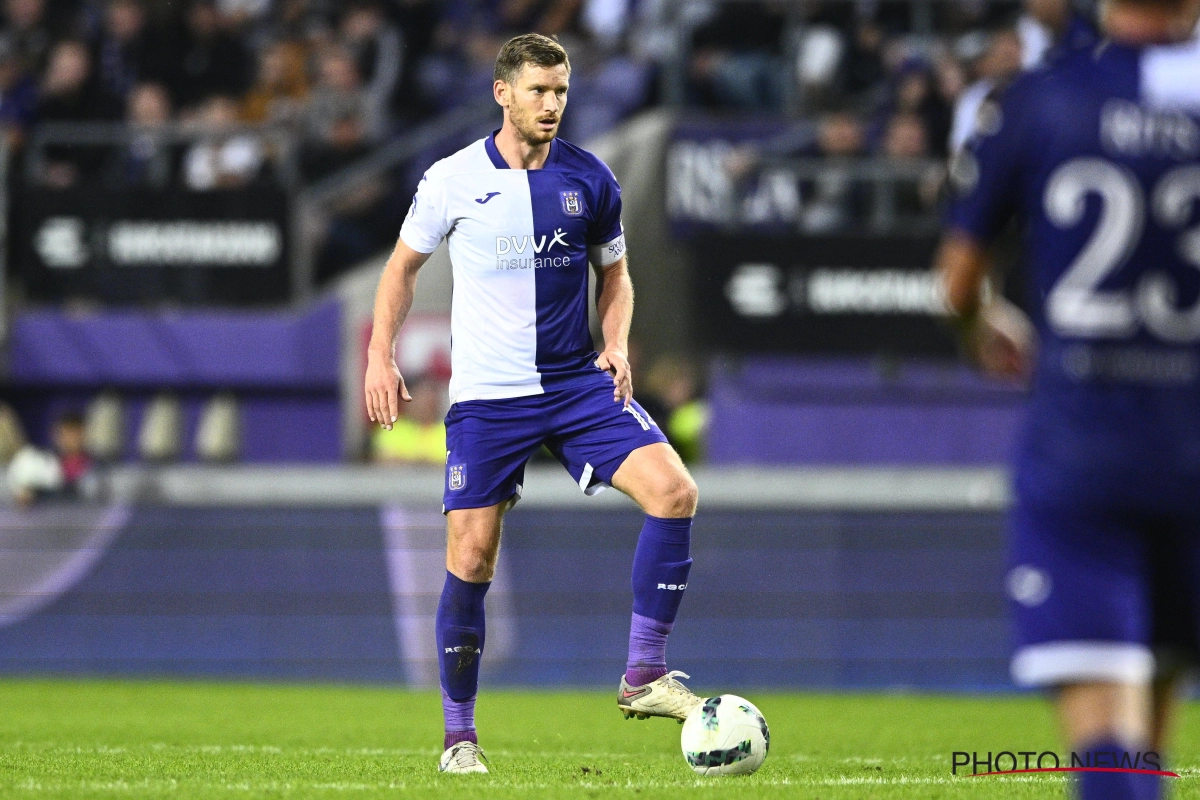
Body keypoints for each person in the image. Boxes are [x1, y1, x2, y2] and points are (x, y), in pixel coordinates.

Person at [364, 33, 701, 775]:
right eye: (539, 91)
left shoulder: (592, 178)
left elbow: (616, 276)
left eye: (561, 91)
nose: (552, 104)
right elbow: (399, 270)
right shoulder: (451, 181)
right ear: (502, 93)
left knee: (675, 492)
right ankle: (459, 737)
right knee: (473, 557)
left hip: (577, 384)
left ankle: (644, 673)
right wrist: (377, 354)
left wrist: (616, 342)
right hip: (489, 399)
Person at [936, 0, 1200, 794]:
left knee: (1106, 735)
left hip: (1085, 450)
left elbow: (955, 283)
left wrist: (983, 324)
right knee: (1158, 691)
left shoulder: (1041, 97)